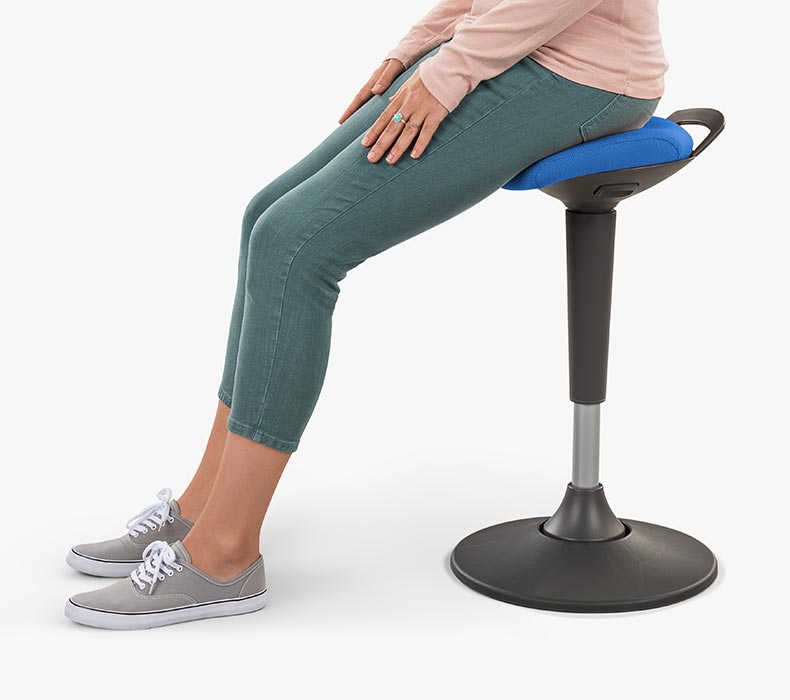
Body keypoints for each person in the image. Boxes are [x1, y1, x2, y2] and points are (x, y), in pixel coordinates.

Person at [65, 0, 668, 629]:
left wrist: (452, 69)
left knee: (297, 247)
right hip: (503, 47)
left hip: (580, 75)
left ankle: (223, 555)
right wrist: (419, 47)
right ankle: (200, 509)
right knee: (264, 219)